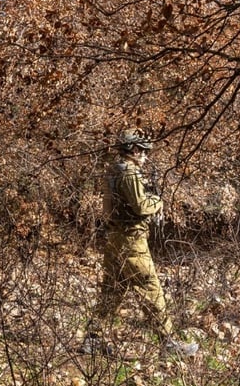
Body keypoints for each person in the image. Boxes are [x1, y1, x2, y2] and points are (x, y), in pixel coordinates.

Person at [84, 128, 197, 358]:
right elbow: (141, 206)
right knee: (150, 287)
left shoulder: (113, 171)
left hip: (115, 238)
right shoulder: (130, 173)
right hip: (131, 240)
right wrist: (158, 201)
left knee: (113, 290)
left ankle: (92, 339)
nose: (145, 156)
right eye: (143, 151)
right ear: (133, 150)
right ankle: (168, 343)